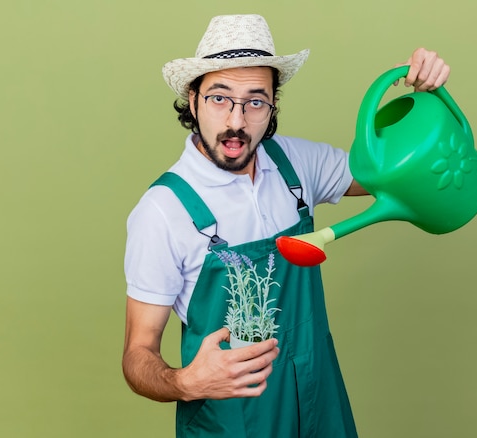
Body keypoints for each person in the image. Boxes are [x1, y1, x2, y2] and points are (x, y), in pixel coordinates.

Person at [122, 14, 450, 437]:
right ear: (193, 98)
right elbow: (137, 356)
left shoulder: (296, 163)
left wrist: (425, 96)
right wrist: (186, 382)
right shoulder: (163, 210)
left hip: (318, 403)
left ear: (273, 104)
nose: (236, 122)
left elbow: (389, 172)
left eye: (255, 101)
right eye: (220, 98)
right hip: (234, 421)